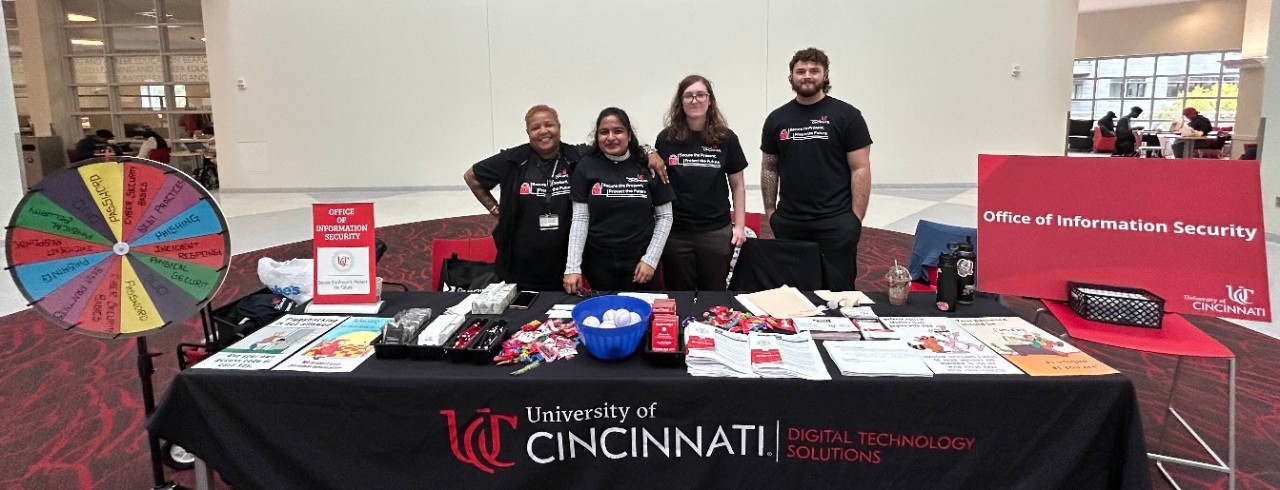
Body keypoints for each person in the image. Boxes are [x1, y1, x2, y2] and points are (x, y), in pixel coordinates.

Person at [463, 105, 665, 291]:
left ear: (559, 127)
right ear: (528, 132)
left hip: (561, 264)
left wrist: (650, 151)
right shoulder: (513, 159)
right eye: (536, 127)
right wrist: (496, 210)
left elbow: (613, 143)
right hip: (519, 263)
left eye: (549, 125)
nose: (543, 131)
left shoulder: (577, 156)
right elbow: (471, 176)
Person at [760, 47, 872, 291]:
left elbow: (861, 169)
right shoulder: (777, 119)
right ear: (791, 76)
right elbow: (769, 166)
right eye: (800, 71)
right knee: (794, 293)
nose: (807, 76)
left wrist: (855, 218)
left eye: (814, 70)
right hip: (790, 222)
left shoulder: (848, 116)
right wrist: (770, 211)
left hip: (836, 222)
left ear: (825, 75)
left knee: (838, 293)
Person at [563, 107, 675, 293]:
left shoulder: (649, 165)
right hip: (598, 263)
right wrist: (572, 267)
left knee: (642, 310)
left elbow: (665, 217)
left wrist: (651, 259)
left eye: (618, 131)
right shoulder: (586, 166)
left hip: (641, 262)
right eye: (604, 132)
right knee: (605, 310)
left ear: (629, 135)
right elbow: (580, 219)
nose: (611, 137)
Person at [656, 75, 748, 291]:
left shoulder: (727, 138)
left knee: (714, 293)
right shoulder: (666, 138)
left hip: (715, 232)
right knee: (679, 293)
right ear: (680, 102)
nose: (694, 100)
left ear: (709, 100)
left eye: (700, 95)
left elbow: (738, 185)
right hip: (676, 232)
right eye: (688, 96)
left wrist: (740, 226)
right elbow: (657, 180)